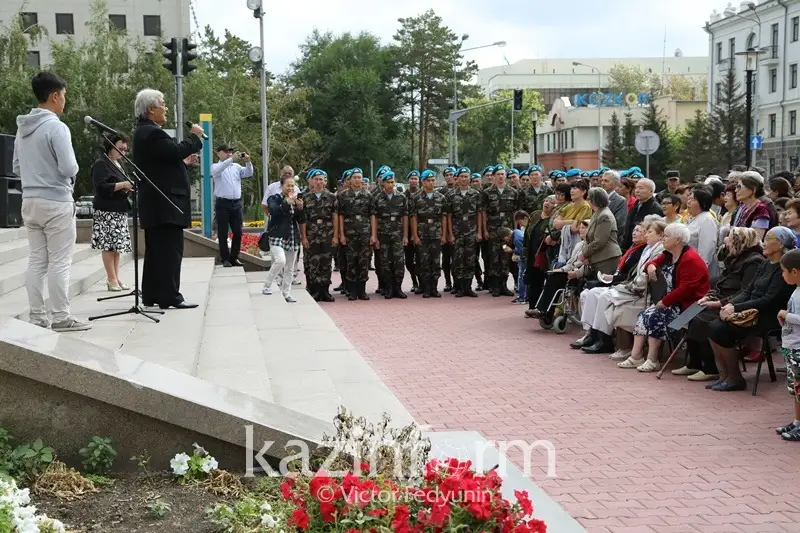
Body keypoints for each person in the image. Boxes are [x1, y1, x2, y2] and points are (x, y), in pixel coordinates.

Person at [13, 72, 89, 331]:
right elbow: (69, 167)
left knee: (36, 261)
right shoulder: (56, 126)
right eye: (64, 96)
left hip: (30, 200)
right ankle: (60, 317)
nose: (65, 102)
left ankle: (37, 317)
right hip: (56, 201)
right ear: (54, 96)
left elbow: (15, 167)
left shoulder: (22, 127)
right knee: (59, 261)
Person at [133, 89, 203, 310]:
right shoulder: (152, 133)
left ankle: (152, 294)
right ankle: (171, 296)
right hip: (165, 203)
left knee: (156, 252)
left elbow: (163, 162)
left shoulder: (145, 132)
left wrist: (182, 164)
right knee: (170, 251)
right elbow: (174, 150)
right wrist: (195, 137)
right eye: (162, 103)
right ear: (151, 109)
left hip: (157, 203)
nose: (165, 107)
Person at [705, 226, 796, 391]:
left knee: (720, 329)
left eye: (769, 238)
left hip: (769, 314)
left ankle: (735, 378)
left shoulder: (782, 268)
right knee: (712, 325)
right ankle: (724, 375)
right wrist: (730, 305)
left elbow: (769, 300)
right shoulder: (765, 263)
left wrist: (736, 308)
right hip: (752, 308)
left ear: (781, 244)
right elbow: (747, 291)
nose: (764, 242)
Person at [618, 224, 709, 372]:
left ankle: (653, 359)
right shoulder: (668, 253)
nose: (663, 238)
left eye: (666, 236)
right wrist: (651, 266)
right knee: (644, 314)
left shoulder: (691, 259)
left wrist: (664, 302)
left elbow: (686, 290)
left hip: (691, 306)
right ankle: (636, 356)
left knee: (655, 315)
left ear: (678, 240)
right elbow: (650, 263)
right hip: (673, 302)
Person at [678, 227, 764, 381]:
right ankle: (693, 363)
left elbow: (745, 291)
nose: (727, 243)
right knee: (687, 315)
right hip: (721, 297)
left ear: (740, 242)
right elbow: (720, 284)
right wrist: (708, 297)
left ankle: (710, 368)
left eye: (730, 239)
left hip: (733, 302)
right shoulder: (735, 258)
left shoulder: (754, 261)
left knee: (701, 320)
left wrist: (719, 303)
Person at [573, 222, 648, 352]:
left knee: (602, 296)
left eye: (638, 231)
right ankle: (592, 334)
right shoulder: (633, 248)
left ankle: (605, 340)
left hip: (628, 287)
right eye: (634, 230)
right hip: (618, 281)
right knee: (591, 293)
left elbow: (629, 276)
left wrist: (613, 278)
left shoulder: (642, 251)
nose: (634, 233)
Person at [90, 134, 133, 292]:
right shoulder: (101, 164)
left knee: (117, 246)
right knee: (109, 246)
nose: (123, 153)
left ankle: (116, 276)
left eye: (125, 150)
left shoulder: (119, 163)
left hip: (119, 208)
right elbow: (101, 187)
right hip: (107, 210)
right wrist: (123, 184)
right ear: (110, 146)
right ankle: (111, 278)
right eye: (119, 149)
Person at [262, 174, 305, 302]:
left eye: (293, 186)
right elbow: (274, 212)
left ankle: (287, 292)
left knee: (290, 267)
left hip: (292, 235)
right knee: (280, 260)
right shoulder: (274, 198)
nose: (290, 188)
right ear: (281, 186)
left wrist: (300, 208)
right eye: (288, 185)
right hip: (277, 234)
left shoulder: (296, 199)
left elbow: (301, 219)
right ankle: (267, 285)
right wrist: (286, 202)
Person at [211, 144, 253, 267]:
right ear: (219, 153)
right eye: (226, 151)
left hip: (236, 204)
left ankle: (234, 257)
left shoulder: (236, 166)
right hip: (223, 203)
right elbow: (217, 170)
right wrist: (231, 159)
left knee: (238, 232)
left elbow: (248, 173)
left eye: (231, 151)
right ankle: (225, 259)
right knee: (222, 232)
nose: (229, 153)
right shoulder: (216, 166)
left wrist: (248, 162)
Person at [481, 165, 520, 296]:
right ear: (494, 176)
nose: (501, 176)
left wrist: (514, 230)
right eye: (498, 174)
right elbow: (483, 213)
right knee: (493, 258)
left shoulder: (513, 192)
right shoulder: (487, 192)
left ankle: (504, 285)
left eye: (503, 174)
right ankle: (495, 286)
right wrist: (484, 230)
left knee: (505, 257)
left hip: (507, 230)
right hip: (493, 229)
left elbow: (515, 213)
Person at [300, 169, 338, 302]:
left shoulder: (332, 197)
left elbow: (335, 217)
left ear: (325, 181)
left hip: (327, 233)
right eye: (316, 179)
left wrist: (336, 235)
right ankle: (315, 290)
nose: (319, 182)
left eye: (321, 179)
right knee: (313, 262)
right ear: (312, 181)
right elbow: (303, 220)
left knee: (326, 262)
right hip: (312, 234)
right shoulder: (306, 198)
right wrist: (304, 237)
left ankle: (325, 290)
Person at [371, 170, 409, 299]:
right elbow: (374, 218)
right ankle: (388, 288)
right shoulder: (377, 198)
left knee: (399, 261)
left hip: (397, 234)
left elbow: (405, 217)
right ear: (383, 184)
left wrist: (405, 235)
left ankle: (398, 288)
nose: (391, 184)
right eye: (388, 182)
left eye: (393, 182)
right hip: (383, 234)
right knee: (385, 262)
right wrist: (374, 236)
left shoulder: (401, 197)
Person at [411, 169, 447, 298]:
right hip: (422, 234)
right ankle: (426, 288)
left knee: (436, 262)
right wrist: (415, 235)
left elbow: (443, 217)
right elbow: (414, 217)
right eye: (428, 180)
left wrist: (444, 234)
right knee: (424, 262)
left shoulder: (441, 197)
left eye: (433, 180)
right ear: (423, 182)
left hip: (436, 233)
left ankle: (434, 288)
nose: (431, 183)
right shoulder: (416, 197)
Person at [338, 168, 372, 300]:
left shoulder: (368, 195)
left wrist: (373, 234)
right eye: (355, 177)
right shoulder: (343, 196)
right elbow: (340, 216)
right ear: (350, 180)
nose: (358, 179)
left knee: (363, 261)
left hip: (364, 234)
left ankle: (362, 290)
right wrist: (341, 234)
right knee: (351, 261)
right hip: (349, 234)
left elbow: (372, 216)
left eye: (360, 177)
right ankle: (351, 290)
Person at [777, 249, 800, 441]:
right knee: (795, 387)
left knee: (799, 387)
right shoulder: (796, 290)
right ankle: (797, 421)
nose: (782, 275)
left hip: (798, 347)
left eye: (783, 271)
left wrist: (787, 315)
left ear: (795, 271)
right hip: (792, 344)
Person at [449, 168, 482, 297]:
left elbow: (479, 213)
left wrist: (479, 231)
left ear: (469, 178)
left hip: (471, 230)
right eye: (461, 176)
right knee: (458, 260)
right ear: (457, 178)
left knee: (470, 259)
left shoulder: (475, 194)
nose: (464, 179)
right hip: (457, 231)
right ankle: (460, 287)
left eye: (466, 176)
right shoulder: (451, 195)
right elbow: (449, 216)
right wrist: (450, 233)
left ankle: (468, 287)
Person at [581, 187, 622, 275]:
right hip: (599, 257)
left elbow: (599, 242)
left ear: (594, 200)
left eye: (588, 198)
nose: (587, 200)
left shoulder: (604, 216)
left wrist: (584, 254)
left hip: (607, 258)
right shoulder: (597, 213)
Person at [621, 178, 663, 249]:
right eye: (636, 188)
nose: (637, 191)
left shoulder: (655, 208)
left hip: (643, 247)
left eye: (641, 188)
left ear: (651, 191)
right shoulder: (636, 204)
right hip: (630, 245)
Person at [404, 170, 421, 293]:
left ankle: (422, 283)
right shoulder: (402, 196)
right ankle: (414, 281)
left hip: (422, 231)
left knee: (421, 259)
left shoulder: (422, 194)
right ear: (408, 181)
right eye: (411, 178)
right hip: (407, 232)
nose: (413, 181)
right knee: (409, 260)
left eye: (416, 178)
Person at [511, 211, 529, 304]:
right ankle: (522, 296)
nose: (519, 224)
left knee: (523, 277)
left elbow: (523, 249)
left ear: (526, 219)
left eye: (520, 222)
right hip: (524, 257)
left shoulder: (530, 228)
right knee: (521, 276)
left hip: (527, 257)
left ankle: (524, 297)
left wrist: (513, 251)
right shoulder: (522, 229)